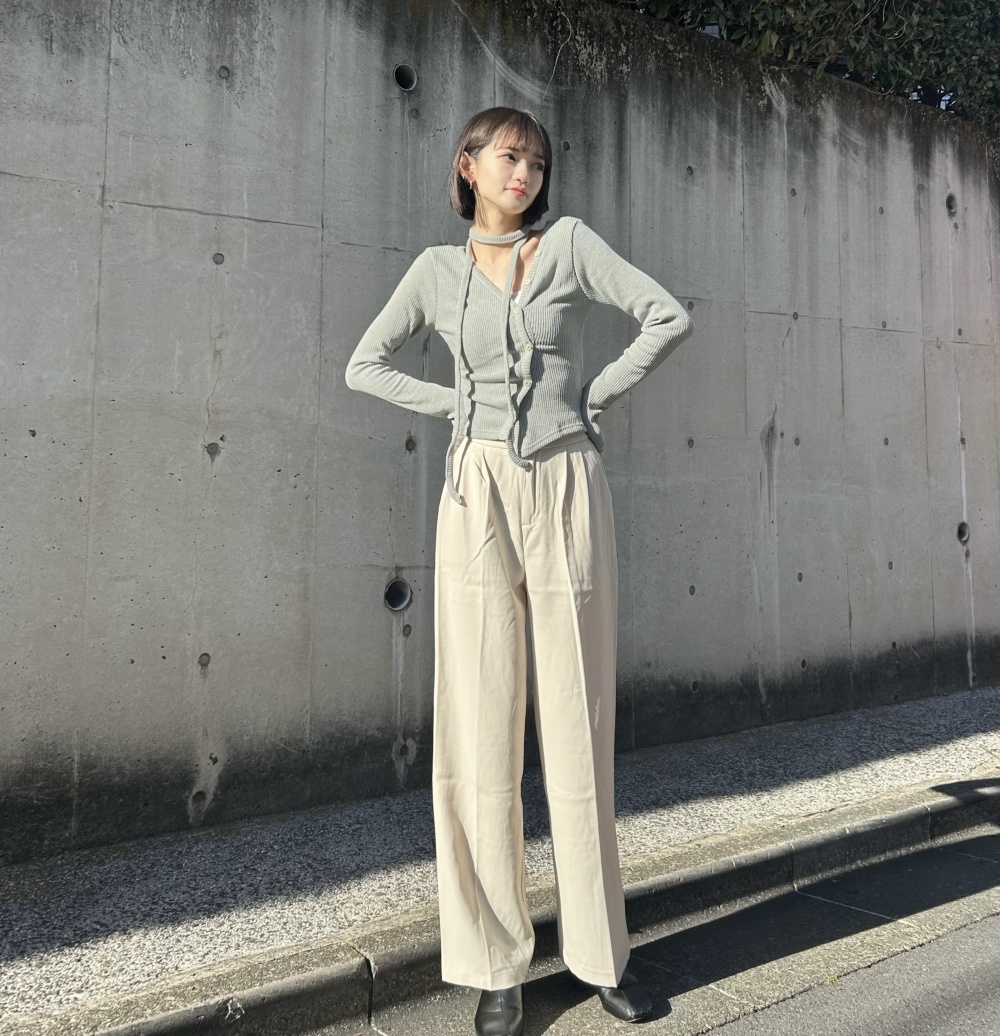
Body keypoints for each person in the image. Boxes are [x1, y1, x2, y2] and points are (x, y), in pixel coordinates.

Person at [345, 106, 694, 1036]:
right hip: (476, 493)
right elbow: (364, 365)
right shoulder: (435, 270)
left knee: (578, 721)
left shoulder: (569, 245)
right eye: (508, 157)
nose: (525, 174)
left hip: (566, 479)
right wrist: (456, 406)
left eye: (537, 162)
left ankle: (601, 956)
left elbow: (666, 316)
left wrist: (594, 394)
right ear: (468, 165)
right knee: (478, 723)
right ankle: (494, 965)